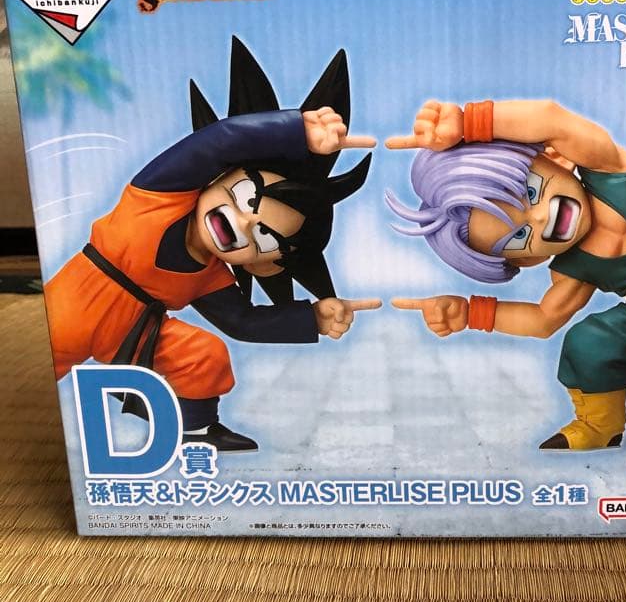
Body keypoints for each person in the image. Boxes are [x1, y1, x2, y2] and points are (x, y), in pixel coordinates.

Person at [45, 38, 380, 452]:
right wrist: (295, 130)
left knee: (205, 353)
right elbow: (216, 142)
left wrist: (311, 318)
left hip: (134, 334)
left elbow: (244, 322)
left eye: (263, 237)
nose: (244, 222)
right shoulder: (157, 195)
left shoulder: (209, 277)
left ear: (264, 265)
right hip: (73, 306)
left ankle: (196, 429)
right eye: (244, 196)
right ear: (219, 176)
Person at [386, 98, 626, 451]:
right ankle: (599, 427)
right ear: (527, 260)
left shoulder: (613, 171)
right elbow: (543, 319)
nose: (539, 218)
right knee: (588, 343)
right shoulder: (573, 269)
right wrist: (470, 313)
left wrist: (469, 122)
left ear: (555, 157)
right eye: (519, 236)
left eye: (530, 193)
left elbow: (551, 119)